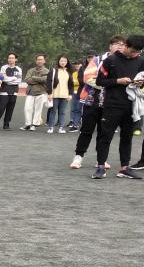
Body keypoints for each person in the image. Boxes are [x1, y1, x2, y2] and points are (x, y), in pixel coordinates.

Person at [91, 34, 144, 179]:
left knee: (127, 137)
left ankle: (124, 168)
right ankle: (100, 167)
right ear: (125, 46)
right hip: (112, 105)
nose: (134, 54)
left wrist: (141, 82)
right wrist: (117, 81)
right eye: (132, 51)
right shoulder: (111, 60)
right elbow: (100, 81)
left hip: (131, 106)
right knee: (105, 136)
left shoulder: (140, 60)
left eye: (137, 52)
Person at [70, 37, 124, 170]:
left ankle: (101, 160)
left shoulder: (123, 62)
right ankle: (78, 156)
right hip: (91, 101)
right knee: (86, 130)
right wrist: (109, 84)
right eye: (117, 44)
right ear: (110, 46)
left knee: (104, 133)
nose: (120, 46)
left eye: (123, 45)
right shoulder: (97, 60)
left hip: (110, 104)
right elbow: (88, 77)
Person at [0, 53, 22, 130]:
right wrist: (13, 78)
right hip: (4, 90)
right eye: (9, 58)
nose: (10, 59)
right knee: (1, 108)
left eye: (12, 58)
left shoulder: (19, 69)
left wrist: (9, 80)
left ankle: (6, 125)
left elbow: (18, 81)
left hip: (14, 91)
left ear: (15, 59)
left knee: (10, 109)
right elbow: (3, 79)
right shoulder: (4, 67)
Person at [46, 55, 74, 133]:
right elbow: (48, 82)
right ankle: (51, 127)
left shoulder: (69, 71)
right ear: (58, 61)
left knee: (62, 112)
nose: (63, 62)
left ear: (67, 62)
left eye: (65, 61)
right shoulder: (53, 71)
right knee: (53, 111)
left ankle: (61, 128)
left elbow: (71, 85)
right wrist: (49, 93)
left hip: (65, 96)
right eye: (61, 61)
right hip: (54, 95)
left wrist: (70, 94)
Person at [21, 54, 49, 130]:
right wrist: (39, 79)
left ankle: (34, 124)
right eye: (38, 59)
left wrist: (33, 78)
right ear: (36, 61)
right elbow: (27, 80)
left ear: (44, 61)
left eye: (41, 59)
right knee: (27, 108)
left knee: (38, 110)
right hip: (30, 92)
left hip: (41, 92)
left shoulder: (47, 71)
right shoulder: (31, 70)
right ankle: (28, 124)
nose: (40, 61)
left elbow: (45, 80)